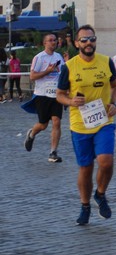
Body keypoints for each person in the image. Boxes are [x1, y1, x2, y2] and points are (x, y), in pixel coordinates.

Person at [56, 25, 116, 226]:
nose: (88, 43)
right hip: (80, 124)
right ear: (77, 44)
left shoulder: (106, 62)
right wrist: (70, 101)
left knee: (106, 162)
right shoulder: (69, 67)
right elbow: (59, 95)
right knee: (86, 168)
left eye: (91, 39)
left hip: (103, 121)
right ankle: (85, 205)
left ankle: (100, 194)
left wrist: (115, 103)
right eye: (83, 40)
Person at [24, 33, 65, 162]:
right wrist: (47, 71)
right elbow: (32, 76)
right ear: (45, 43)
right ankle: (31, 134)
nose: (54, 42)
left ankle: (53, 152)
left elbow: (62, 73)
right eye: (50, 40)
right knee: (43, 125)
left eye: (55, 40)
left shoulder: (58, 56)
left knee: (57, 121)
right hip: (42, 94)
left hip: (56, 94)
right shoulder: (39, 58)